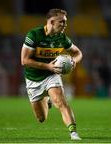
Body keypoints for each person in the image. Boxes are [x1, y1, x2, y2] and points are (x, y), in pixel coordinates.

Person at [21, 8, 83, 140]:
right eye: (62, 22)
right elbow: (24, 60)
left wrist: (73, 60)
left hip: (52, 75)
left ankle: (73, 133)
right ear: (52, 21)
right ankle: (46, 99)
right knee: (41, 118)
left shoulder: (62, 38)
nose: (65, 25)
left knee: (61, 101)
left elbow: (78, 53)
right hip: (33, 78)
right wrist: (47, 65)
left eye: (65, 22)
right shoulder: (34, 35)